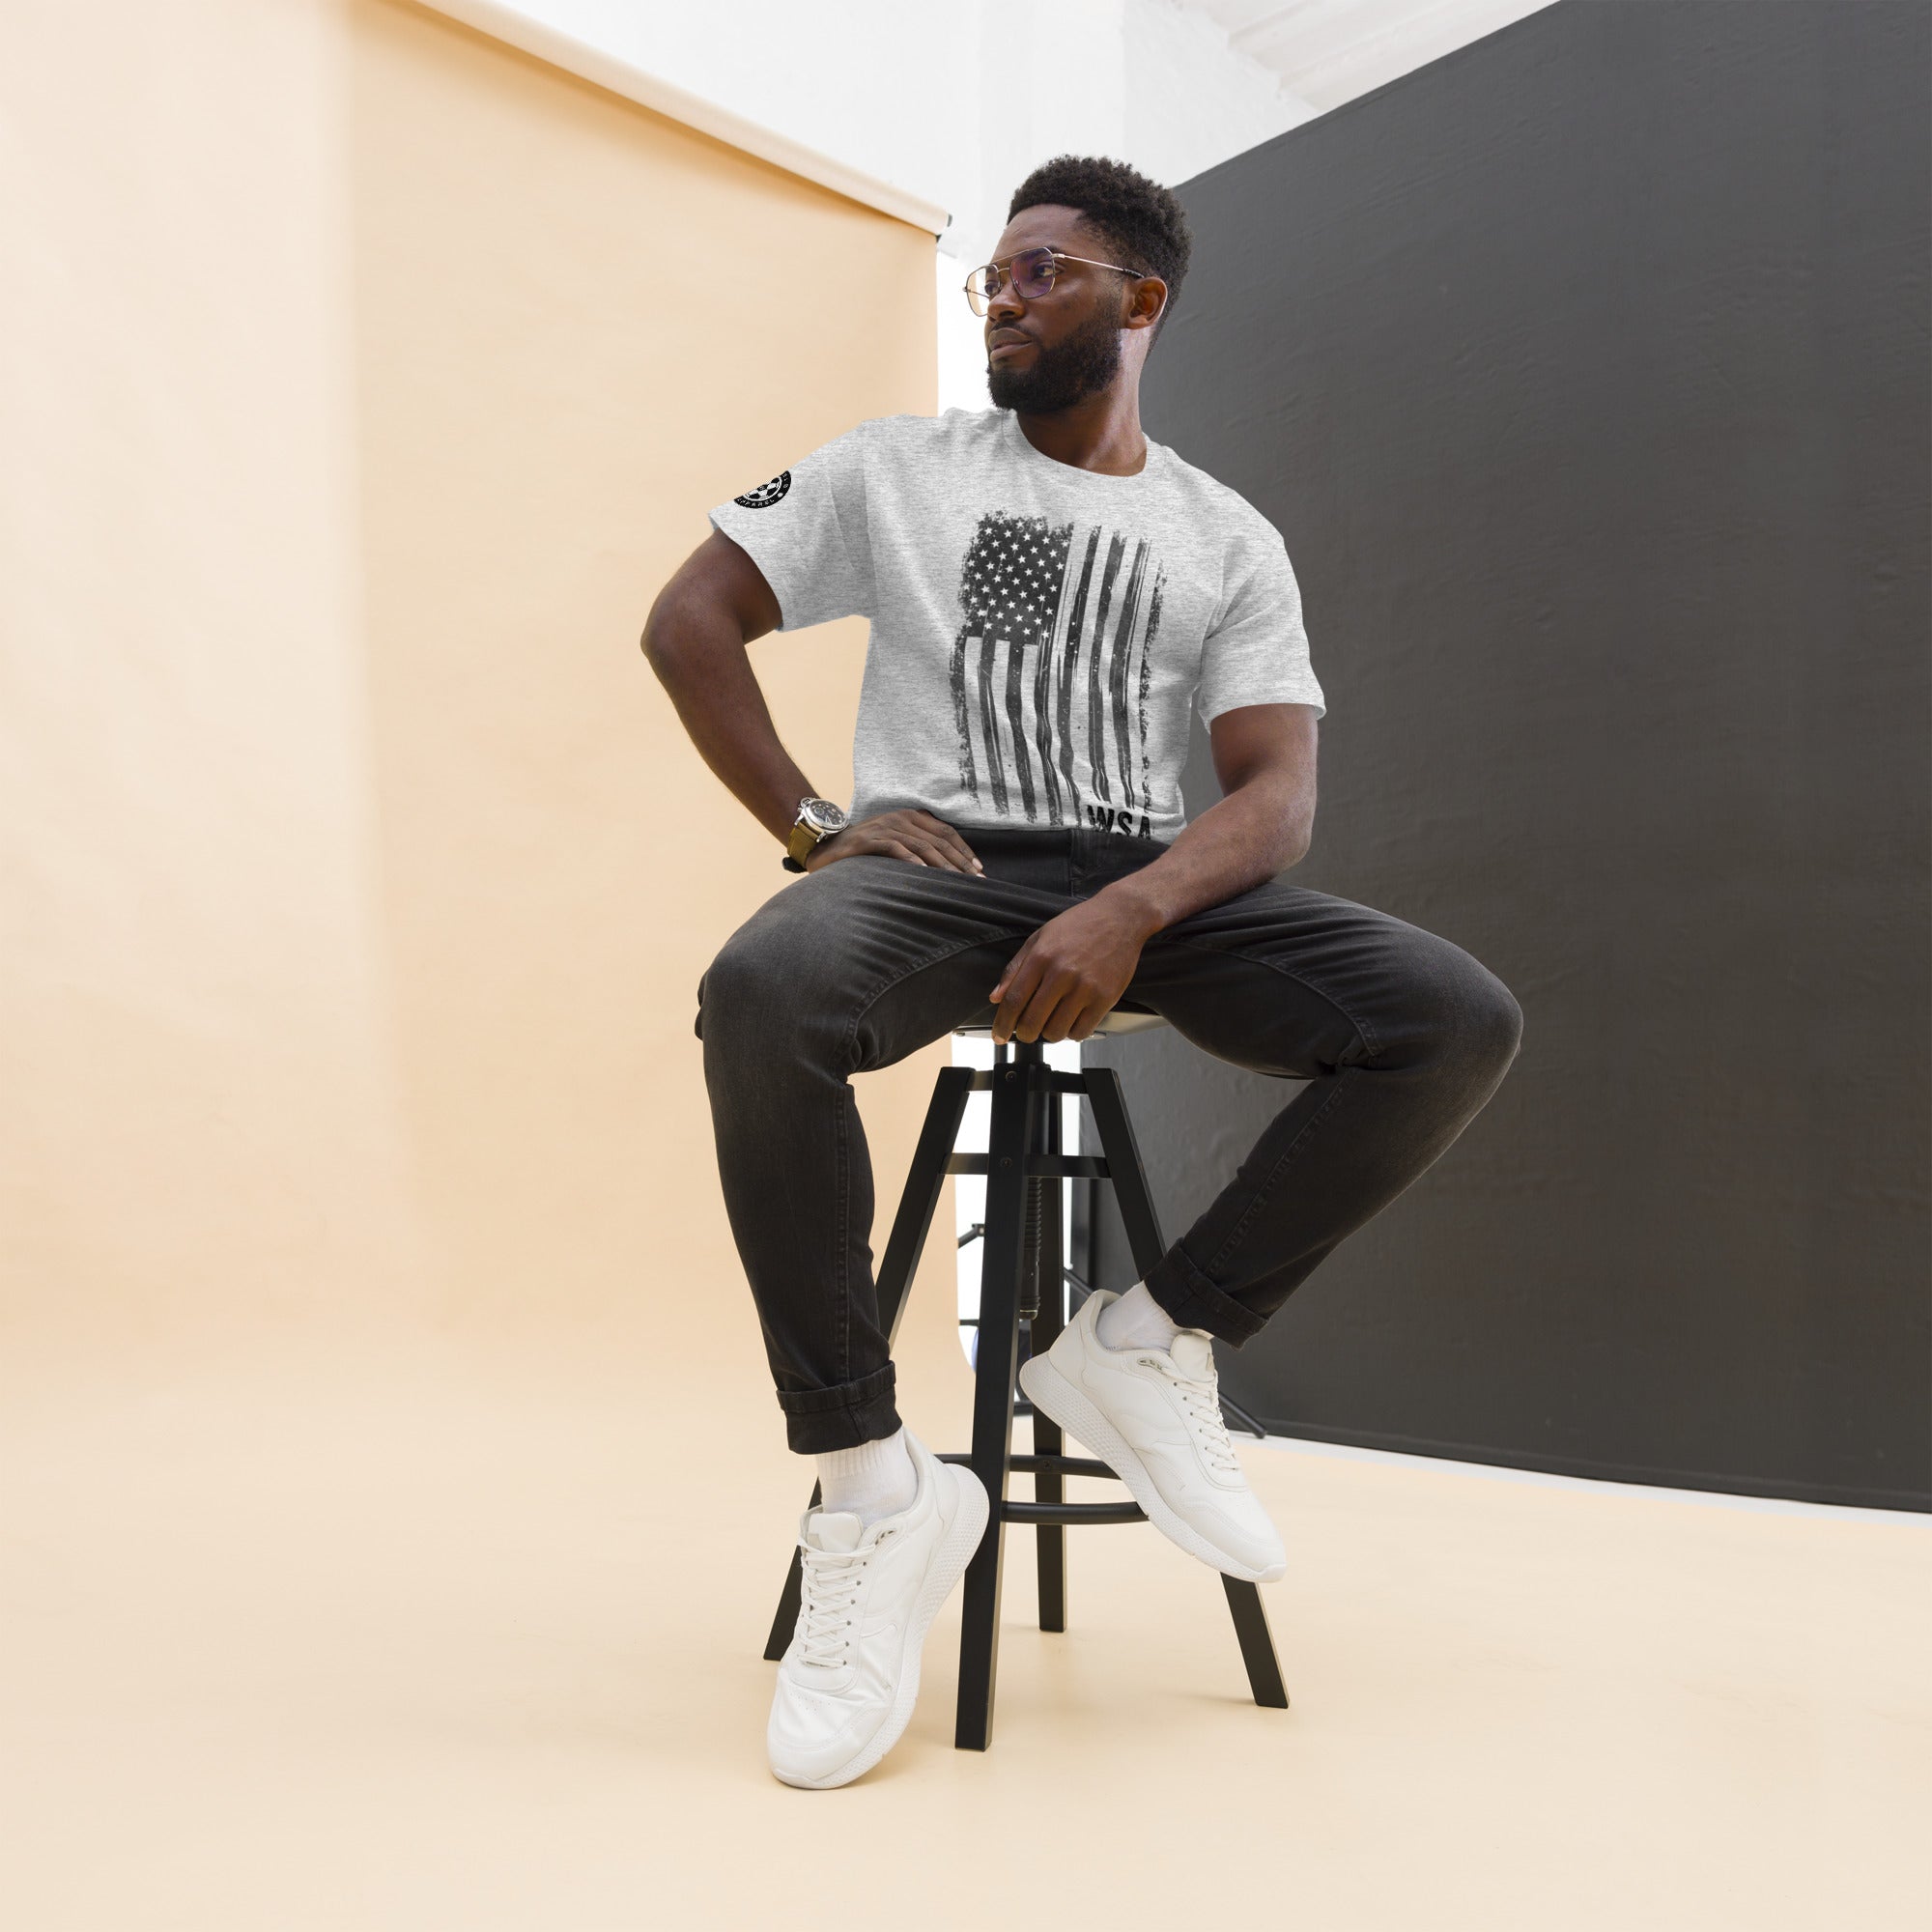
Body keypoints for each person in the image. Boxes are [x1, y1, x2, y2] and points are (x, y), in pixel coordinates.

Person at [641, 155, 1522, 1789]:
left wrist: (1132, 911)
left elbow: (1276, 795)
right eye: (992, 274)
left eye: (1042, 272)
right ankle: (872, 1491)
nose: (1003, 294)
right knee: (761, 995)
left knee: (1451, 1018)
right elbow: (687, 619)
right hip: (942, 873)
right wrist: (819, 823)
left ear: (1140, 301)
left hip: (1146, 881)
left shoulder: (1222, 536)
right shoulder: (897, 470)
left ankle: (1144, 1341)